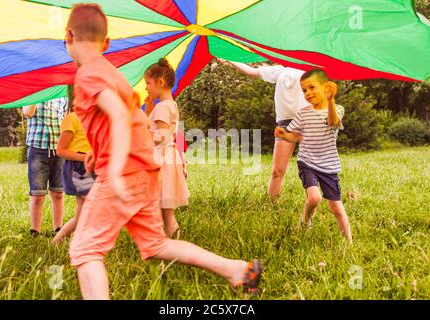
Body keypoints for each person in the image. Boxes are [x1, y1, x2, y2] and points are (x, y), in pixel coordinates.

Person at [65, 3, 262, 300]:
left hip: (125, 172)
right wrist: (99, 150)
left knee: (85, 248)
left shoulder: (88, 74)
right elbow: (133, 120)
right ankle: (238, 270)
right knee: (156, 244)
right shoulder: (112, 73)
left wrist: (115, 171)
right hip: (146, 170)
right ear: (106, 43)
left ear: (68, 35)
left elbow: (118, 115)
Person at [275, 69, 352, 243]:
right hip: (307, 162)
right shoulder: (303, 113)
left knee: (337, 209)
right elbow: (295, 136)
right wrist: (283, 134)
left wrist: (331, 100)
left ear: (326, 88)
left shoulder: (337, 109)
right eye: (304, 90)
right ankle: (306, 220)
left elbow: (332, 122)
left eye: (312, 87)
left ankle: (348, 244)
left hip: (329, 166)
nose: (308, 93)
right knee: (314, 197)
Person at [218, 59, 308, 201]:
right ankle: (272, 205)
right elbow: (251, 72)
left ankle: (313, 205)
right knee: (277, 171)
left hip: (308, 122)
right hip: (285, 124)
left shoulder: (311, 68)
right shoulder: (279, 70)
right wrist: (229, 60)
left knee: (311, 170)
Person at [144, 58, 189, 239]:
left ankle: (162, 245)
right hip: (169, 158)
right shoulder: (171, 105)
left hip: (160, 160)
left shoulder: (162, 107)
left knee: (158, 211)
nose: (146, 88)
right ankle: (173, 245)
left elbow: (161, 136)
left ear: (160, 82)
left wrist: (143, 139)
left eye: (148, 83)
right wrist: (148, 113)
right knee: (166, 212)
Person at [53, 86, 95, 244]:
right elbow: (61, 150)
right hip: (77, 169)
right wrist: (85, 158)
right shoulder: (72, 118)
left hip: (91, 167)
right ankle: (82, 243)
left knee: (82, 214)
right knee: (89, 207)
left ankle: (57, 241)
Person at [22, 97, 68, 236]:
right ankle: (35, 230)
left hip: (58, 149)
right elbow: (28, 113)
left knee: (58, 193)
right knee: (37, 195)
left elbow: (66, 121)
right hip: (38, 148)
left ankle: (58, 229)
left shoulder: (62, 96)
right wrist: (37, 92)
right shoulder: (33, 92)